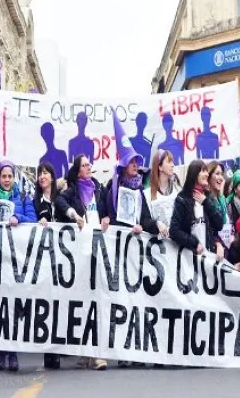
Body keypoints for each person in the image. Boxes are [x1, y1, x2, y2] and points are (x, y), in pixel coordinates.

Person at [54, 154, 109, 371]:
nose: (89, 167)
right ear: (78, 171)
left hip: (101, 249)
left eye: (89, 164)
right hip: (82, 252)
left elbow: (107, 210)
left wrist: (107, 217)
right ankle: (88, 351)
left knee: (99, 299)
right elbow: (59, 201)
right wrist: (73, 214)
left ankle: (96, 352)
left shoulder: (99, 189)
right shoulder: (73, 190)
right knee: (86, 300)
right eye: (84, 165)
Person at [106, 141, 157, 369]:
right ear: (124, 165)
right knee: (121, 301)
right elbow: (107, 213)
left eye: (138, 162)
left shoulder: (139, 191)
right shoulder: (113, 187)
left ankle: (135, 349)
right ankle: (122, 350)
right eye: (132, 162)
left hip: (137, 252)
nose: (136, 165)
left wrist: (148, 226)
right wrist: (114, 222)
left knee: (137, 301)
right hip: (119, 249)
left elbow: (145, 217)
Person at [33, 161, 62, 371]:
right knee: (45, 305)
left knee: (59, 304)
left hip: (61, 258)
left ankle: (57, 351)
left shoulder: (61, 200)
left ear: (52, 176)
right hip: (42, 259)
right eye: (39, 174)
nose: (42, 176)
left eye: (46, 173)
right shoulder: (35, 201)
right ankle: (47, 352)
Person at [168, 159, 225, 255]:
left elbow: (219, 224)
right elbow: (174, 231)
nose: (207, 174)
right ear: (194, 174)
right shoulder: (182, 198)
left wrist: (206, 202)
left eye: (207, 171)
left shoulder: (208, 197)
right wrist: (194, 243)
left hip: (208, 258)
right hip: (189, 258)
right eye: (203, 171)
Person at [145, 149, 179, 239]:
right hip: (157, 246)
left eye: (172, 162)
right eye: (169, 162)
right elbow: (145, 220)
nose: (173, 165)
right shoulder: (147, 194)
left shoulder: (178, 191)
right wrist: (156, 224)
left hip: (177, 245)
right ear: (160, 167)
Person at [207, 161, 230, 259]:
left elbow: (228, 222)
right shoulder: (205, 200)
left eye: (222, 174)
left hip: (226, 246)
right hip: (213, 249)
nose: (221, 178)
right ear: (208, 177)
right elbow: (207, 229)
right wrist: (217, 243)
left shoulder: (223, 199)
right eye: (217, 174)